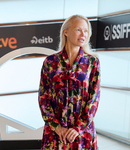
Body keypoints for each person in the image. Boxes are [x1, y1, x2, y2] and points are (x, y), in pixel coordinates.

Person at [38, 14, 100, 150]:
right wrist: (56, 127)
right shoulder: (50, 62)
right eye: (78, 29)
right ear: (65, 32)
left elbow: (94, 99)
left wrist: (78, 128)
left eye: (86, 31)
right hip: (55, 134)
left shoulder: (92, 62)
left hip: (82, 134)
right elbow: (43, 98)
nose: (83, 34)